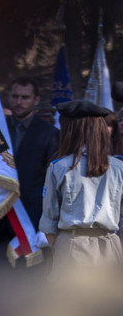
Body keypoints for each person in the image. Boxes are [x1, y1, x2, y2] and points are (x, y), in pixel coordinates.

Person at [0, 75, 59, 286]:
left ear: (36, 100)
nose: (19, 102)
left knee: (29, 286)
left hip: (31, 222)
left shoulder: (50, 134)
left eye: (25, 97)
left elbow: (52, 182)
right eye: (15, 96)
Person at [38, 99, 123, 272]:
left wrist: (62, 250)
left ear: (70, 131)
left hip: (71, 247)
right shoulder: (119, 167)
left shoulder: (58, 167)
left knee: (71, 298)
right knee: (107, 299)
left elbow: (49, 223)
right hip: (110, 248)